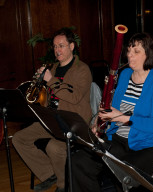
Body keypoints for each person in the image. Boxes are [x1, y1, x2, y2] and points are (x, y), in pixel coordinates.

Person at [71, 32, 153, 191]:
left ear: (149, 54)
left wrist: (122, 118)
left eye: (136, 51)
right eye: (128, 50)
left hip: (148, 143)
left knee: (124, 174)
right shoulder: (125, 74)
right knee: (79, 161)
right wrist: (100, 120)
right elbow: (113, 107)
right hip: (118, 138)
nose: (129, 55)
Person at [12, 28, 92, 192]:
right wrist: (38, 85)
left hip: (72, 122)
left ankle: (63, 186)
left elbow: (74, 96)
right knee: (18, 138)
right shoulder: (53, 67)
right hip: (52, 119)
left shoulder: (82, 70)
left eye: (61, 46)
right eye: (55, 47)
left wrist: (50, 80)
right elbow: (47, 97)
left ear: (72, 46)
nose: (57, 50)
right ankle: (50, 173)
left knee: (54, 148)